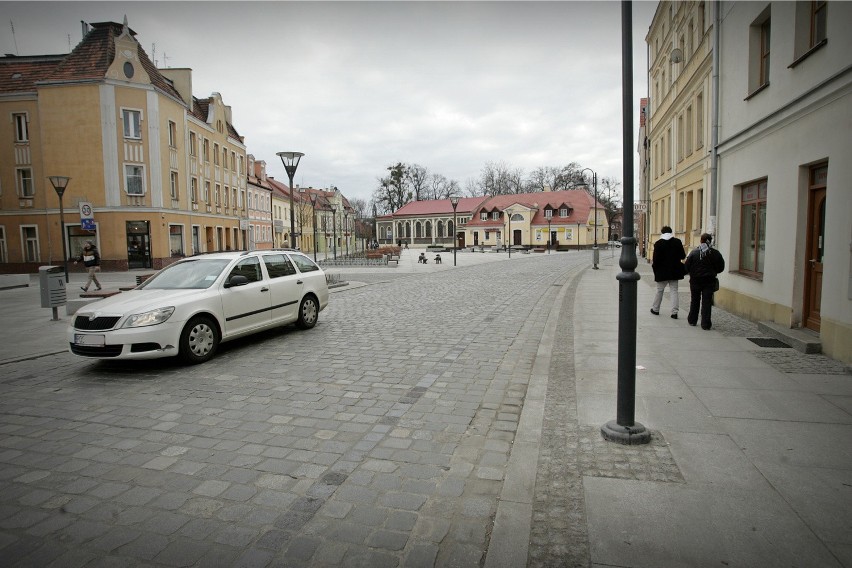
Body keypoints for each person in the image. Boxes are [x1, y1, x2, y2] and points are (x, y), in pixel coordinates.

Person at [684, 233, 726, 330]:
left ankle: (692, 320)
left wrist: (692, 272)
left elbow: (686, 267)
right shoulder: (715, 253)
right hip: (709, 281)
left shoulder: (694, 253)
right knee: (707, 302)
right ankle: (706, 323)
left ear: (701, 241)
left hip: (695, 280)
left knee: (695, 300)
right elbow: (721, 267)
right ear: (710, 241)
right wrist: (713, 271)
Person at [650, 226, 686, 319]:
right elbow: (683, 256)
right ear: (671, 232)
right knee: (674, 291)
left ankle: (655, 309)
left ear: (662, 233)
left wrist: (655, 271)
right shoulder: (677, 242)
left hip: (662, 272)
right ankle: (674, 312)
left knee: (659, 290)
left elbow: (655, 260)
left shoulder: (658, 243)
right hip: (674, 271)